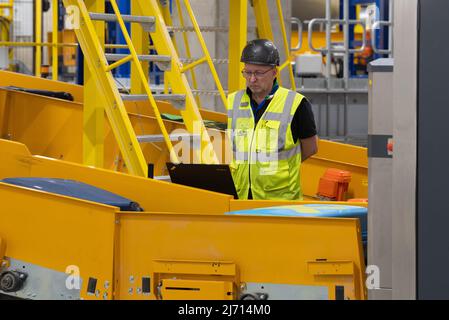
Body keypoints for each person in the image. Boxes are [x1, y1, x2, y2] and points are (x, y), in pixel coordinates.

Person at [227, 39, 318, 200]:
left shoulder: (296, 104)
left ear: (274, 72)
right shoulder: (234, 101)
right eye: (247, 72)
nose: (252, 79)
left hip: (280, 199)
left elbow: (310, 148)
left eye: (259, 73)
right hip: (241, 196)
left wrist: (281, 168)